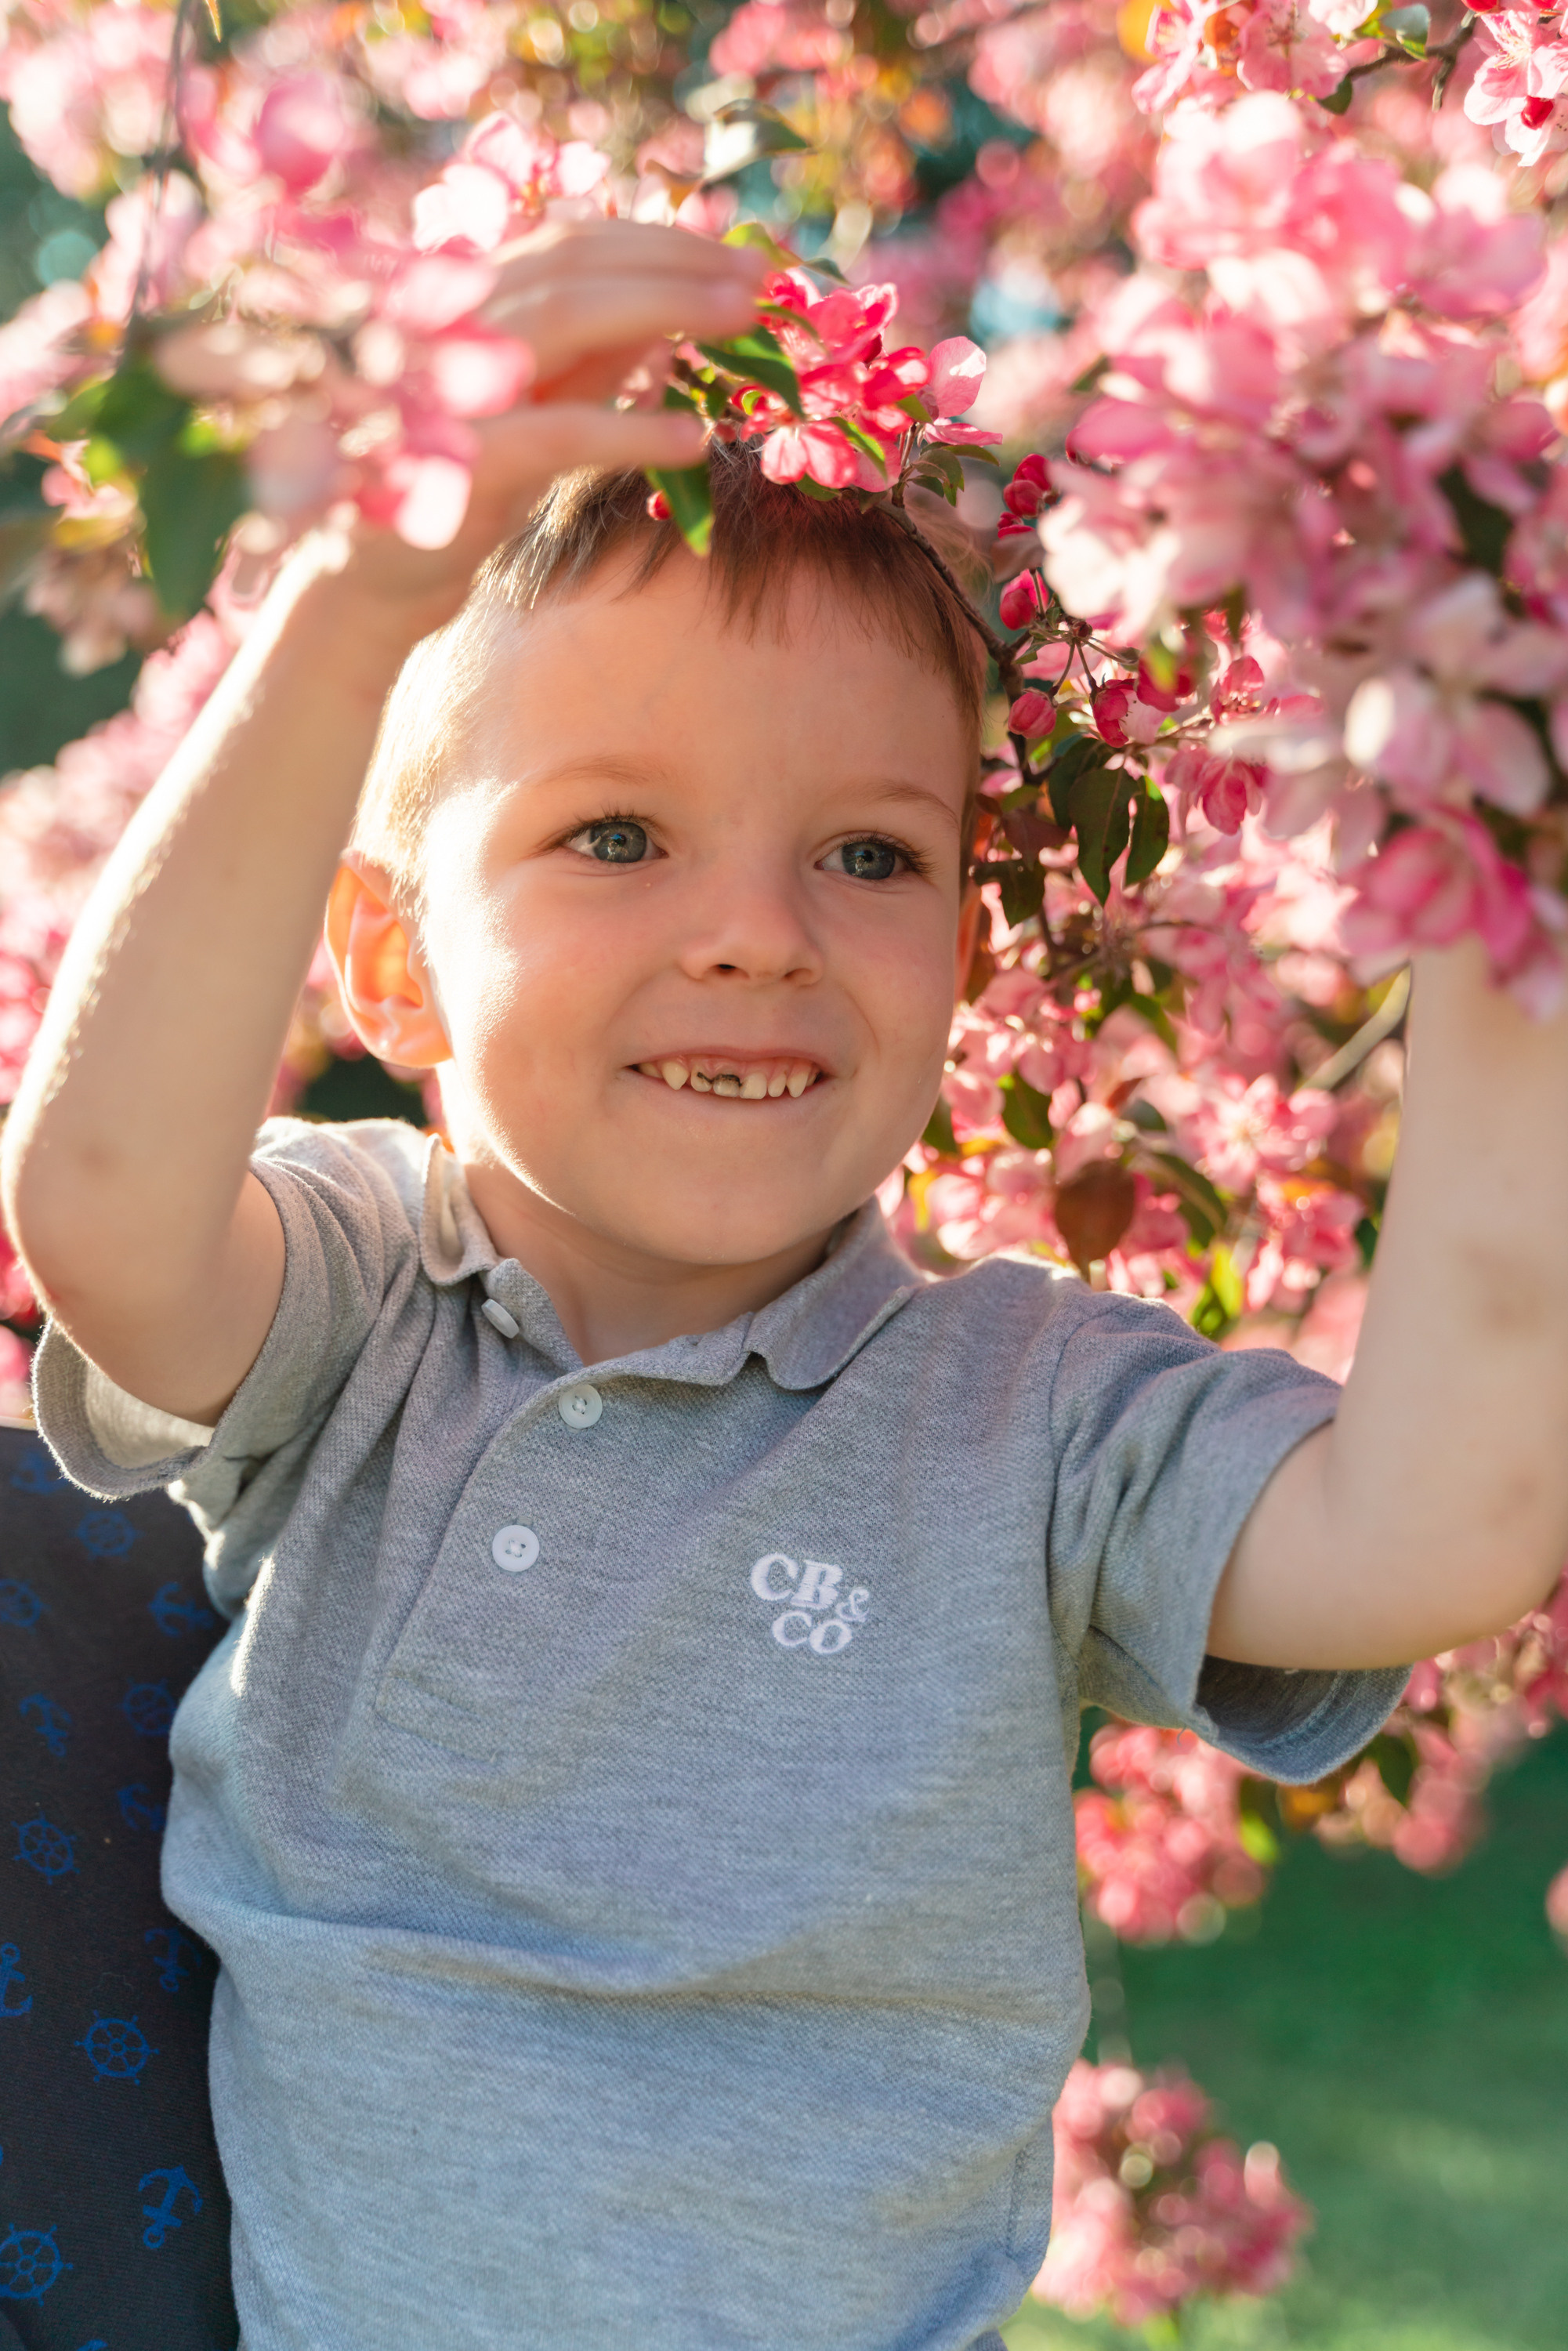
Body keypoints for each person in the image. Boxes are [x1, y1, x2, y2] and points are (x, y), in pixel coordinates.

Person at [3, 216, 1566, 2351]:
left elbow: (1434, 1532)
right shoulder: (364, 1313)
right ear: (388, 964)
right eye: (615, 839)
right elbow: (98, 1204)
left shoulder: (1030, 1415)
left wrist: (1512, 896)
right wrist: (361, 600)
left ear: (961, 966)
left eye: (866, 855)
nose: (757, 931)